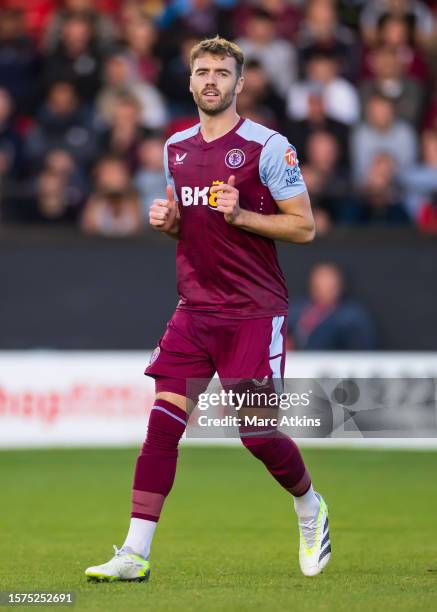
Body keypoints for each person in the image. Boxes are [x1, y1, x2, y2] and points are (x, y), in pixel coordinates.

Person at [85, 36, 331, 583]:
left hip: (253, 310)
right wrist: (169, 223)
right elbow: (189, 224)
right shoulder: (175, 149)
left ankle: (310, 506)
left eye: (223, 72)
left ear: (240, 84)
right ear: (191, 81)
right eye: (203, 71)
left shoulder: (270, 147)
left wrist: (242, 216)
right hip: (194, 309)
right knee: (162, 427)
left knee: (258, 435)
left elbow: (305, 226)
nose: (212, 80)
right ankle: (134, 552)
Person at [288, 263, 377, 350]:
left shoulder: (351, 317)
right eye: (319, 287)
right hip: (297, 361)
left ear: (339, 287)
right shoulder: (298, 309)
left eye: (329, 287)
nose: (324, 292)